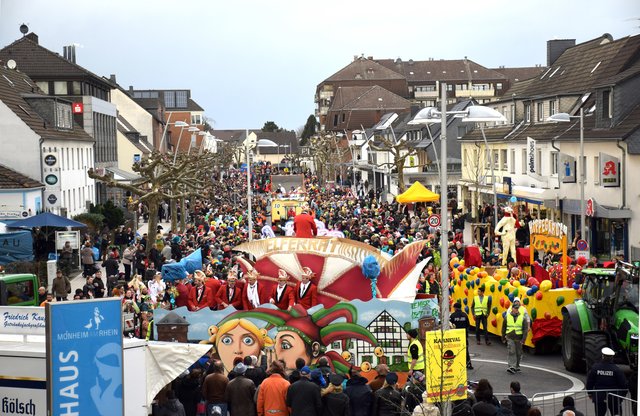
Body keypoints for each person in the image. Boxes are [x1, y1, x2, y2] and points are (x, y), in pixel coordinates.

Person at [206, 318, 271, 374]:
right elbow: (263, 368)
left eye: (248, 341)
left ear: (259, 348)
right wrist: (264, 357)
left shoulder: (226, 378)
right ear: (217, 348)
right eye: (227, 340)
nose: (238, 350)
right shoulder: (256, 375)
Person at [585, 347, 628, 416]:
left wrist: (590, 393)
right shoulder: (616, 370)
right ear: (612, 357)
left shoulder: (595, 368)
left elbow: (590, 381)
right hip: (614, 397)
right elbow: (624, 384)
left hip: (599, 397)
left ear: (602, 356)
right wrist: (622, 396)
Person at [502, 298, 529, 374]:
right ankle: (511, 366)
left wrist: (523, 340)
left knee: (518, 353)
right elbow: (503, 328)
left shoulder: (522, 318)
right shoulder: (507, 317)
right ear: (512, 308)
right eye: (515, 308)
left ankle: (516, 366)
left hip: (519, 339)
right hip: (510, 338)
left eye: (517, 308)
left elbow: (525, 330)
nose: (517, 310)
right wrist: (503, 337)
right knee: (512, 351)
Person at [450, 301, 473, 369]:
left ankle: (457, 364)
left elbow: (450, 325)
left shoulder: (453, 316)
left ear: (455, 308)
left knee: (455, 350)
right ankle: (469, 364)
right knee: (465, 350)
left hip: (455, 336)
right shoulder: (465, 315)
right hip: (464, 335)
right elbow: (468, 325)